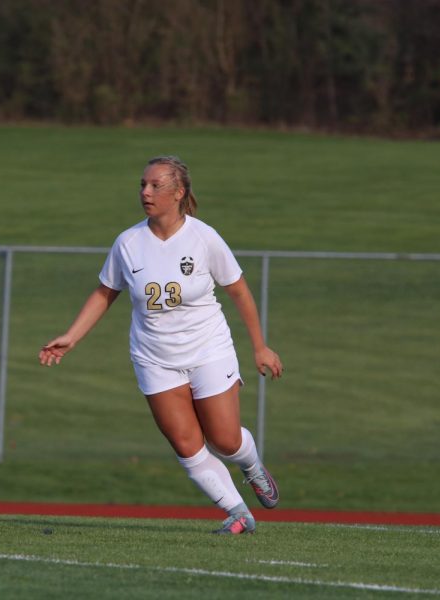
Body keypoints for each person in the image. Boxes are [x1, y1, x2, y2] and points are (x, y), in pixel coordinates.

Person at [39, 155, 283, 535]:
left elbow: (239, 291)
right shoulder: (128, 242)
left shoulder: (204, 238)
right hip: (154, 357)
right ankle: (238, 512)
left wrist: (261, 347)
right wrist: (71, 337)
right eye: (142, 184)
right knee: (186, 444)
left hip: (208, 349)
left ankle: (252, 468)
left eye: (155, 186)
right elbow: (106, 292)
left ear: (179, 193)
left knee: (225, 439)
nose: (145, 192)